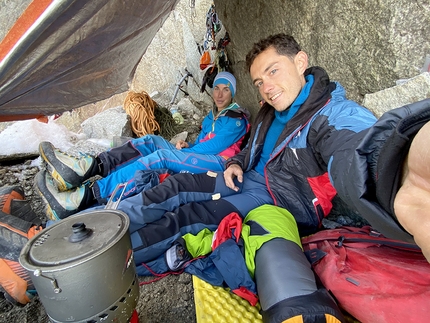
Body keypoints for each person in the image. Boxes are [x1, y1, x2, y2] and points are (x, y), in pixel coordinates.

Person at [35, 71, 250, 220]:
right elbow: (200, 143)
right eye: (217, 88)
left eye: (226, 90)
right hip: (201, 157)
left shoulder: (236, 119)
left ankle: (84, 196)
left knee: (161, 157)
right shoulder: (212, 116)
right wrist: (187, 145)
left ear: (233, 92)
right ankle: (89, 167)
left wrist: (179, 153)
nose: (220, 94)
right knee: (151, 140)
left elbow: (212, 148)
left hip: (220, 165)